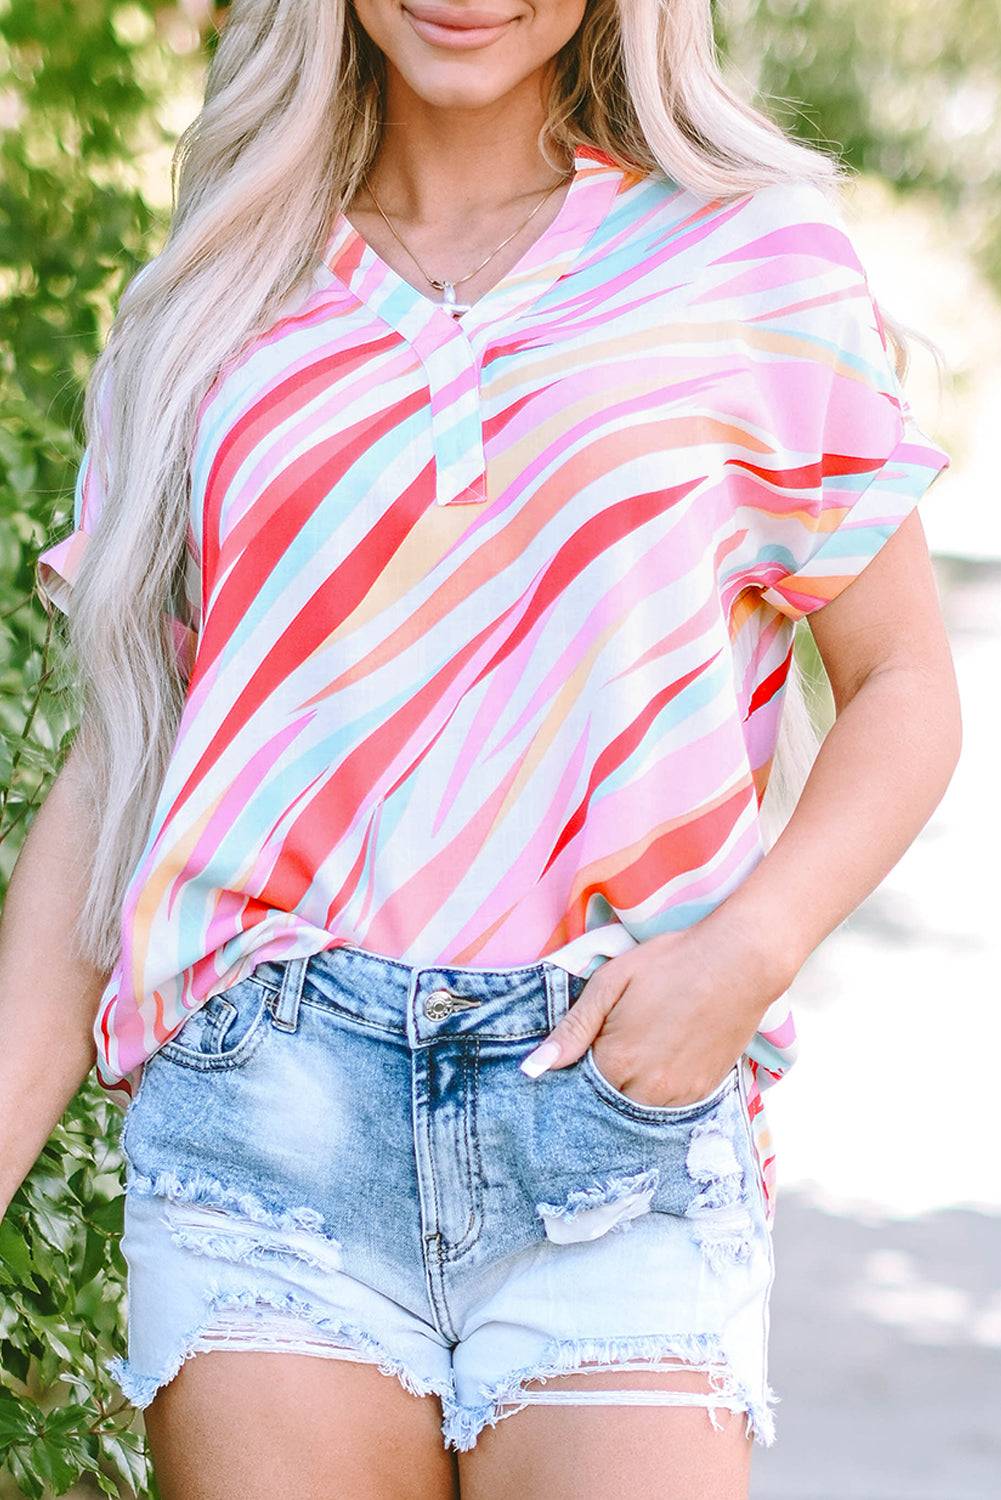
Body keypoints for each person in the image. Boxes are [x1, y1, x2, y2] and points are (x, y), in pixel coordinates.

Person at [1, 1, 961, 1496]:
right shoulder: (211, 300)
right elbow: (132, 761)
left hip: (616, 1103)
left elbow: (901, 680)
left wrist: (747, 954)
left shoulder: (750, 259)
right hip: (272, 1104)